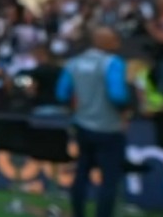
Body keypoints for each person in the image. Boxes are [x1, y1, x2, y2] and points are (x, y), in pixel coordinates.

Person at [56, 27, 131, 217]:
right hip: (109, 128)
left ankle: (78, 213)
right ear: (102, 41)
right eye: (114, 39)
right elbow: (118, 95)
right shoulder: (112, 63)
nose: (117, 44)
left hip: (82, 125)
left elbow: (61, 93)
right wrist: (125, 111)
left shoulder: (74, 63)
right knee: (109, 179)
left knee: (81, 173)